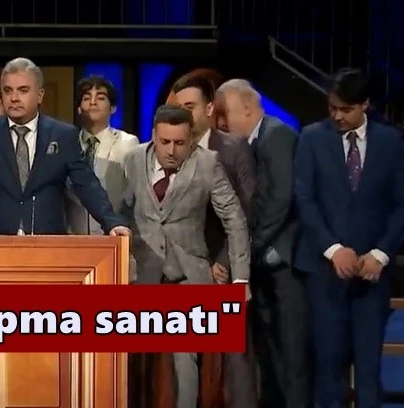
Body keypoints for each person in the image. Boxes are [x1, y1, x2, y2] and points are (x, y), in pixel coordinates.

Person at [294, 68, 404, 407]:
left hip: (371, 276)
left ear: (365, 104)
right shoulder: (311, 138)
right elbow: (304, 199)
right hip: (324, 274)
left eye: (345, 109)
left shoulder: (390, 142)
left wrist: (380, 254)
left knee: (368, 371)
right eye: (332, 107)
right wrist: (333, 249)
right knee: (327, 370)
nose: (337, 116)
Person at [121, 104, 250, 408]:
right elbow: (122, 212)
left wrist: (241, 278)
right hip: (143, 271)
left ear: (191, 138)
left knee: (185, 358)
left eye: (179, 143)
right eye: (165, 141)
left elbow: (235, 220)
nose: (171, 150)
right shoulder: (134, 159)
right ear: (154, 135)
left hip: (188, 273)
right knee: (127, 358)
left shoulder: (208, 164)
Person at [0, 57, 130, 241]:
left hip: (48, 245)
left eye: (23, 90)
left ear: (40, 95)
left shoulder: (63, 135)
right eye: (8, 91)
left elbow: (86, 184)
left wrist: (112, 222)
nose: (14, 98)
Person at [216, 78, 307, 408]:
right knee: (269, 354)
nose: (222, 123)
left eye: (225, 114)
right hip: (263, 266)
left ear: (247, 109)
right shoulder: (251, 143)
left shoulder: (277, 135)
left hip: (283, 263)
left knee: (291, 354)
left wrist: (248, 246)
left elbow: (279, 199)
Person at [170, 76, 258, 408]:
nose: (183, 113)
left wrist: (223, 263)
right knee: (185, 358)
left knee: (234, 358)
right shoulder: (172, 150)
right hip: (186, 267)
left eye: (189, 107)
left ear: (209, 108)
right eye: (178, 107)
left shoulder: (234, 149)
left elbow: (247, 211)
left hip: (228, 266)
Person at [65, 74, 139, 235]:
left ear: (113, 108)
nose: (93, 102)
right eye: (86, 98)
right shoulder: (67, 143)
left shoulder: (127, 143)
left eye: (100, 98)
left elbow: (134, 195)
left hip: (113, 234)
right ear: (79, 108)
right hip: (74, 237)